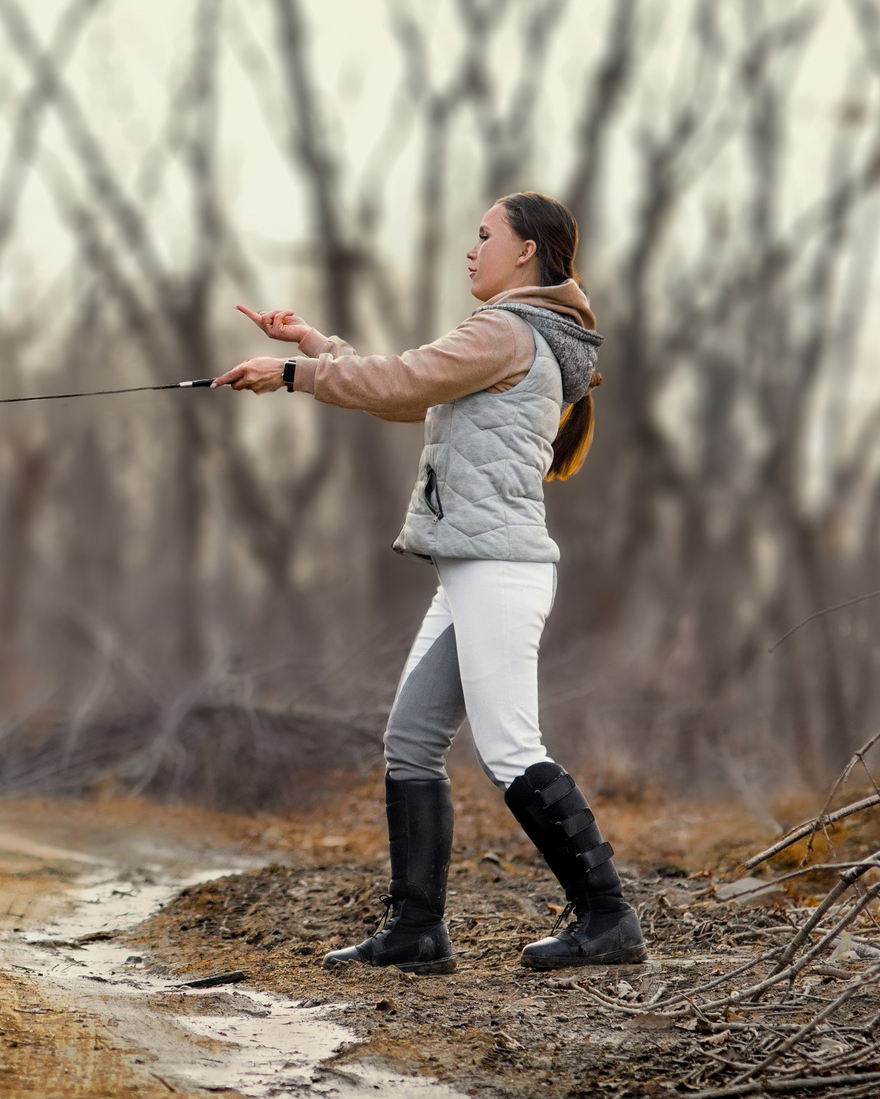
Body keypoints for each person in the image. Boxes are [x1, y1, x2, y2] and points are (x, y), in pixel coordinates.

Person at [217, 192, 643, 973]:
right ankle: (416, 931)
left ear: (526, 252)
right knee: (411, 741)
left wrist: (292, 372)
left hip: (496, 571)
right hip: (470, 569)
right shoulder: (518, 334)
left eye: (485, 235)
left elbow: (404, 381)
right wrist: (311, 342)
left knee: (512, 747)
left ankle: (608, 917)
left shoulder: (507, 330)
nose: (470, 248)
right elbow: (408, 386)